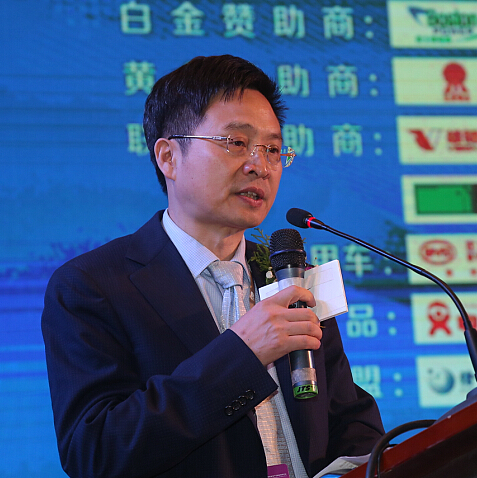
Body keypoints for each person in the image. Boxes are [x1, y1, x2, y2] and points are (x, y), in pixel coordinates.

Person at [41, 55, 384, 478]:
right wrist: (243, 354)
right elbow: (95, 451)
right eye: (236, 143)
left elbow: (352, 421)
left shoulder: (291, 276)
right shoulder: (92, 286)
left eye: (272, 149)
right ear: (168, 157)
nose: (259, 165)